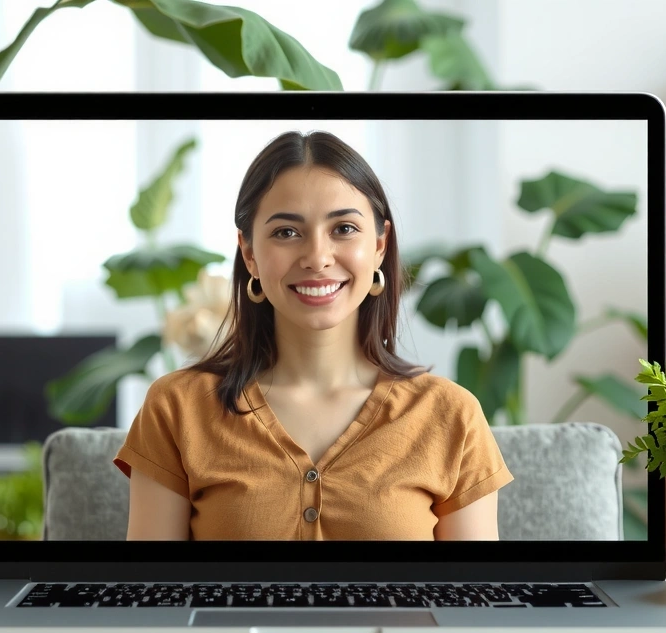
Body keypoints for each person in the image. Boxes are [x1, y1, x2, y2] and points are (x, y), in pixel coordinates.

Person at [114, 130, 513, 540]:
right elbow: (154, 598)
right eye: (287, 232)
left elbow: (471, 601)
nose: (318, 258)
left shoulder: (450, 415)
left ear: (379, 245)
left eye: (343, 228)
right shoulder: (177, 408)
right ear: (249, 253)